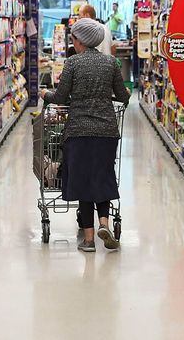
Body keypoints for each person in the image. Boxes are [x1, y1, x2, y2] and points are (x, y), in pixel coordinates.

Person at [40, 18, 130, 252]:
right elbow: (122, 96)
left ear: (79, 40)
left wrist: (45, 94)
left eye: (73, 39)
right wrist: (120, 94)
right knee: (102, 176)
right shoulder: (111, 63)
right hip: (106, 132)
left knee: (83, 181)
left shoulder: (72, 63)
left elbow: (60, 98)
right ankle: (104, 223)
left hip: (78, 131)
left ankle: (89, 241)